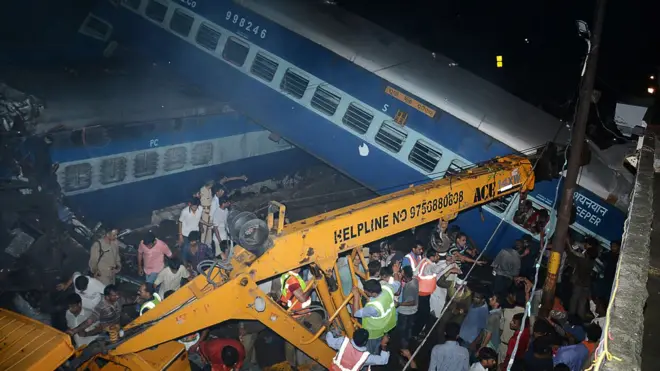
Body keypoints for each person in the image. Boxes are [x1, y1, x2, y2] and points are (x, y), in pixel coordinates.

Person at [351, 275, 400, 354]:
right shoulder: (387, 288)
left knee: (372, 349)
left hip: (374, 332)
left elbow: (355, 313)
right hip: (389, 323)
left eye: (366, 291)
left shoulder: (373, 307)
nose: (364, 292)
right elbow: (398, 283)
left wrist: (356, 296)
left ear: (373, 293)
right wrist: (396, 273)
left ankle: (373, 360)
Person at [67, 285, 135, 337]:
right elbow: (89, 321)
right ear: (107, 297)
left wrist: (137, 299)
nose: (118, 296)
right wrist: (74, 330)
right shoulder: (101, 307)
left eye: (118, 294)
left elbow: (127, 300)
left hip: (117, 325)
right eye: (114, 295)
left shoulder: (118, 299)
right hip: (107, 332)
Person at [325, 328, 390, 370]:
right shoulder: (365, 357)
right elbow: (383, 360)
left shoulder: (342, 342)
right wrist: (383, 345)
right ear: (365, 342)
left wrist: (328, 329)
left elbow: (330, 341)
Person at [413, 248, 443, 336]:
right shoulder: (429, 266)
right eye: (437, 256)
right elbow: (437, 270)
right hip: (422, 295)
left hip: (422, 293)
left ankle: (414, 331)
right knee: (424, 315)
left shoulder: (425, 261)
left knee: (419, 314)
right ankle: (415, 333)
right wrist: (448, 264)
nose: (438, 257)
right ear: (432, 257)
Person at [396, 265, 418, 351]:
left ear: (404, 273)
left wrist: (399, 304)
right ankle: (407, 344)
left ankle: (403, 348)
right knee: (408, 329)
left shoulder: (409, 287)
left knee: (403, 332)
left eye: (401, 272)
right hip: (413, 312)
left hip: (405, 313)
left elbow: (412, 302)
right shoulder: (415, 281)